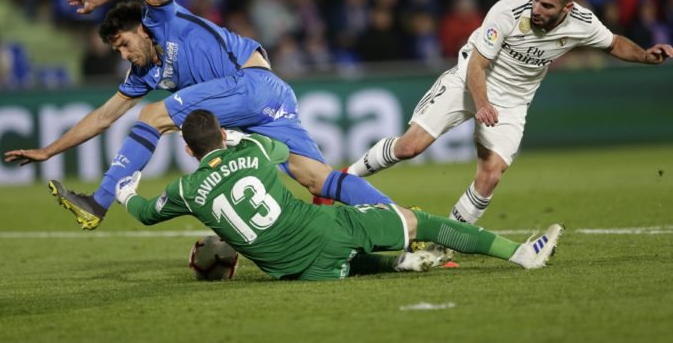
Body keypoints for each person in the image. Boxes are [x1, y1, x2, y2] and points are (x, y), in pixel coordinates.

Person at [3, 0, 391, 230]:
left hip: (253, 83)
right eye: (116, 51)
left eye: (123, 44)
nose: (123, 55)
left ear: (140, 29)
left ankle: (100, 201)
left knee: (154, 113)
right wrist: (49, 151)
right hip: (264, 104)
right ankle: (400, 220)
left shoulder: (162, 19)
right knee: (317, 179)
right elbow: (103, 117)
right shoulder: (144, 74)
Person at [346, 0, 673, 224]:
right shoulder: (507, 11)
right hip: (467, 82)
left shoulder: (583, 23)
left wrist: (646, 56)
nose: (537, 8)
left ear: (567, 8)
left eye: (546, 5)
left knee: (490, 175)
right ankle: (342, 179)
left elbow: (613, 43)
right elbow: (477, 64)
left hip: (513, 102)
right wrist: (483, 103)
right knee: (409, 147)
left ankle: (442, 243)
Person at [113, 109, 563, 280]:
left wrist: (124, 189)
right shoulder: (250, 147)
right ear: (222, 136)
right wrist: (235, 137)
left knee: (337, 259)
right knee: (414, 219)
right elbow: (276, 150)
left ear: (188, 150)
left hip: (291, 272)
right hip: (323, 229)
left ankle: (399, 262)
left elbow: (145, 213)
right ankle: (521, 254)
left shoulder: (186, 190)